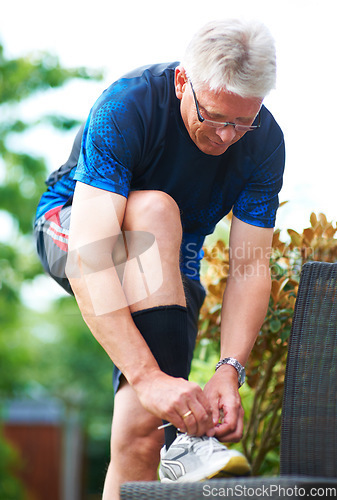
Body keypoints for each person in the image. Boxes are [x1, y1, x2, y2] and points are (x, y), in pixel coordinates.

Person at [34, 18, 285, 499]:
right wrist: (148, 377)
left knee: (141, 439)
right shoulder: (127, 106)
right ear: (182, 82)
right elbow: (91, 256)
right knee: (154, 207)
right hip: (77, 231)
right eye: (214, 117)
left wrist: (229, 371)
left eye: (243, 121)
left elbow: (250, 266)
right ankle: (186, 439)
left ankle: (175, 443)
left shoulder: (265, 143)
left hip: (171, 261)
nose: (227, 136)